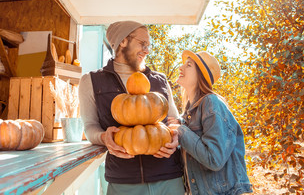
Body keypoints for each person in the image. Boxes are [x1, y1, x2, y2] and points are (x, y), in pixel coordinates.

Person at [79, 21, 184, 195]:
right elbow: (90, 126)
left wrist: (176, 137)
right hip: (124, 181)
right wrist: (104, 137)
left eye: (148, 45)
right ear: (123, 41)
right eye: (142, 44)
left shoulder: (160, 80)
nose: (147, 50)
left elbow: (175, 121)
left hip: (168, 176)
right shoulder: (91, 81)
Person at [168, 50, 253, 195]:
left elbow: (215, 160)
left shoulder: (211, 103)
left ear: (201, 75)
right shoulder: (188, 114)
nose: (181, 68)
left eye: (188, 65)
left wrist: (181, 130)